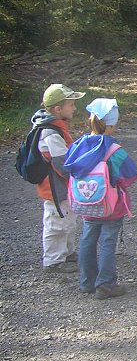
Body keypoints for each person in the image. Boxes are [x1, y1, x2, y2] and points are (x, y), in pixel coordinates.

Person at [63, 99, 137, 299]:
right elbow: (131, 175)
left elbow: (68, 168)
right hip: (111, 206)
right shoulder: (114, 150)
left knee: (87, 240)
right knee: (107, 241)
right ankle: (106, 284)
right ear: (112, 124)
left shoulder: (77, 146)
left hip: (86, 205)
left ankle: (87, 282)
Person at [31, 84, 85, 272]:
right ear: (58, 109)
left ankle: (67, 253)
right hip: (54, 188)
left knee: (67, 219)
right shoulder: (50, 132)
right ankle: (53, 261)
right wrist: (79, 174)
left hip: (61, 186)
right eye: (71, 105)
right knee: (56, 223)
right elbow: (62, 163)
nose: (74, 108)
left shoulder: (57, 127)